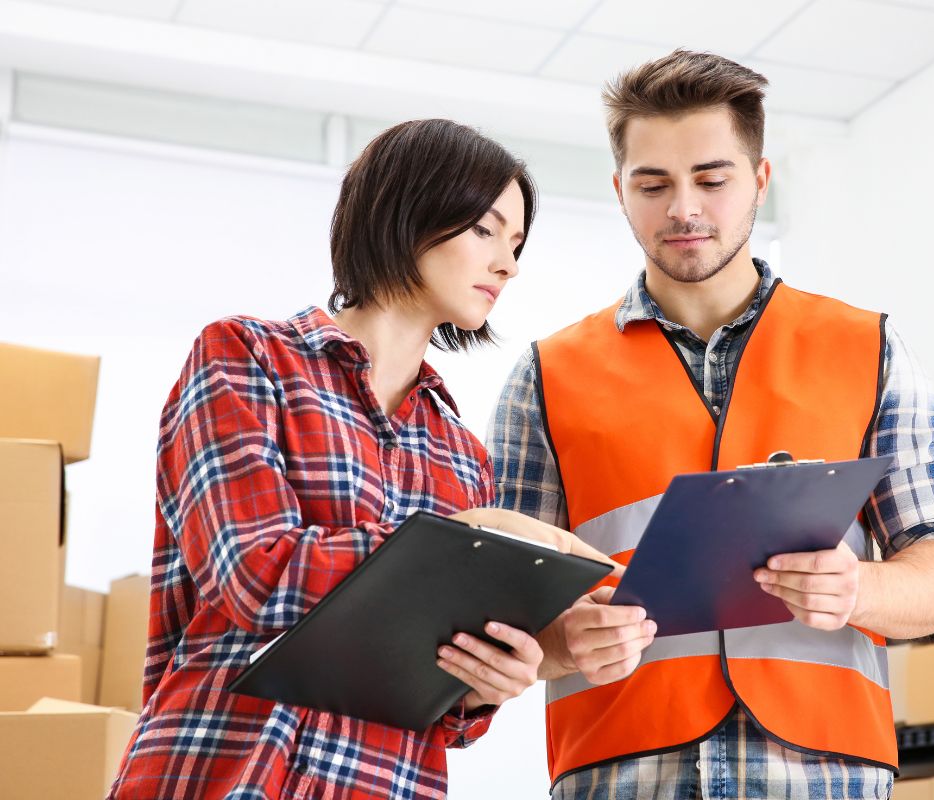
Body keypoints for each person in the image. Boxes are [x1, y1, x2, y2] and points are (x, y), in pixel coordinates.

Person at [487, 50, 934, 799]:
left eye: (712, 180)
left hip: (823, 775)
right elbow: (502, 610)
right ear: (620, 192)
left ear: (759, 180)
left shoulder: (867, 348)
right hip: (622, 773)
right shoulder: (546, 376)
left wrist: (859, 591)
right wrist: (562, 642)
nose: (684, 208)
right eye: (653, 184)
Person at [107, 118, 606, 799]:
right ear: (408, 212)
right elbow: (256, 576)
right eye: (486, 230)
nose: (508, 264)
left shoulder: (463, 455)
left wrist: (502, 675)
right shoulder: (247, 360)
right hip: (220, 770)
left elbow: (443, 714)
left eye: (517, 244)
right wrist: (464, 540)